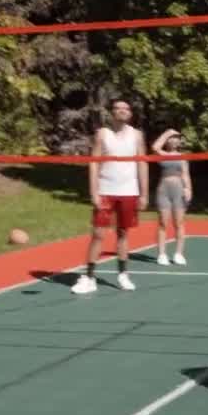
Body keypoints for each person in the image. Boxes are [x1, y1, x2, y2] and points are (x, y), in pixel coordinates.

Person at [73, 98, 149, 294]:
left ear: (130, 113)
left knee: (123, 234)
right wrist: (94, 192)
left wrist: (144, 194)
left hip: (129, 191)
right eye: (118, 108)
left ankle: (123, 275)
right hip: (106, 191)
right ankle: (89, 277)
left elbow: (142, 164)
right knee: (98, 234)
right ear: (112, 112)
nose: (122, 111)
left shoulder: (137, 135)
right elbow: (94, 163)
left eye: (126, 108)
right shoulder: (102, 134)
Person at [150, 128, 193, 266]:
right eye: (172, 138)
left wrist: (188, 189)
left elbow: (185, 175)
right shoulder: (162, 154)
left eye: (177, 138)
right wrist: (167, 133)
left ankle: (179, 254)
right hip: (163, 191)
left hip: (178, 191)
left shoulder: (182, 157)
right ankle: (162, 254)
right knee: (163, 222)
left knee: (179, 223)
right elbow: (155, 147)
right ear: (167, 141)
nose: (174, 140)